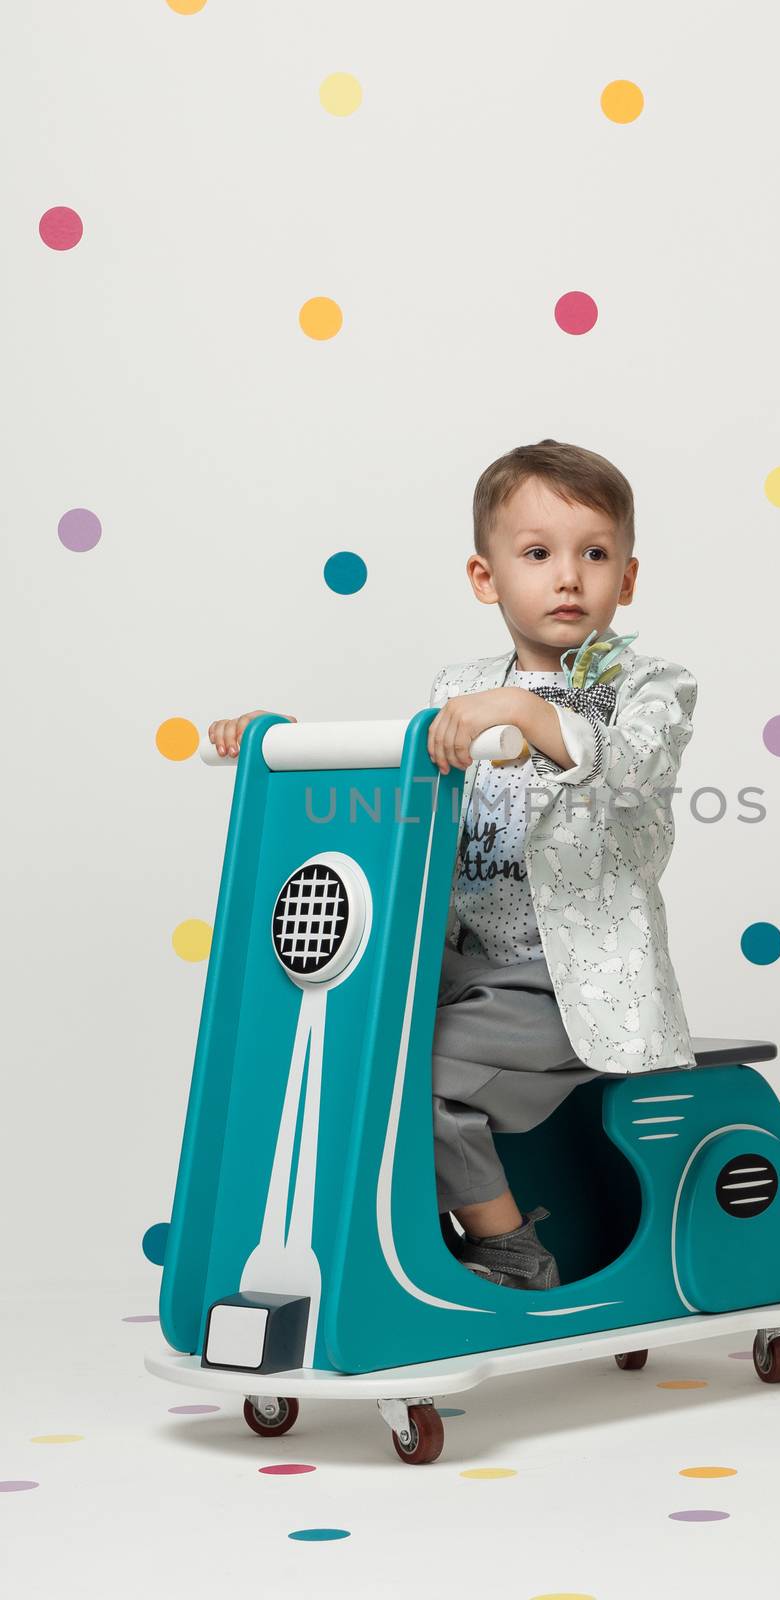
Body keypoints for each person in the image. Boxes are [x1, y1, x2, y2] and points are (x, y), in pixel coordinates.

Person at [207, 438, 698, 1293]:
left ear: (625, 578)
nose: (568, 578)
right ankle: (378, 1237)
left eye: (594, 555)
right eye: (538, 554)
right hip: (460, 964)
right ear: (486, 576)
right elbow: (405, 779)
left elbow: (632, 766)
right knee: (338, 1050)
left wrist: (525, 711)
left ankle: (509, 1248)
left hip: (571, 982)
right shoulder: (460, 687)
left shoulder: (648, 685)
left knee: (411, 1085)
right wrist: (283, 740)